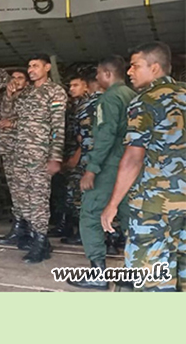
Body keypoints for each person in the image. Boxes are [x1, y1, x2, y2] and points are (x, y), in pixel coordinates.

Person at [101, 42, 186, 292]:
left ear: (155, 67)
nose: (129, 72)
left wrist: (113, 205)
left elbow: (133, 159)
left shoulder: (145, 101)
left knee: (152, 279)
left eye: (135, 66)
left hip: (155, 207)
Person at [67, 55, 135, 290]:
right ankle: (133, 272)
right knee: (130, 218)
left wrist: (92, 170)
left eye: (97, 73)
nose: (95, 77)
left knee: (89, 215)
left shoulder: (109, 98)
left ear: (108, 74)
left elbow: (105, 137)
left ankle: (98, 274)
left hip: (109, 167)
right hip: (130, 167)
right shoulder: (132, 96)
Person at [13, 54, 67, 263]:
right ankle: (37, 238)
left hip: (40, 155)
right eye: (29, 66)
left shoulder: (55, 91)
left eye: (35, 66)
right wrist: (11, 95)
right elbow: (13, 117)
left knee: (38, 199)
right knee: (22, 198)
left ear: (47, 68)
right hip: (21, 153)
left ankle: (40, 242)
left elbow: (58, 126)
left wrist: (55, 157)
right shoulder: (26, 92)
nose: (30, 70)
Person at [51, 73, 90, 243]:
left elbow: (87, 137)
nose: (71, 89)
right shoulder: (72, 106)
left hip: (80, 157)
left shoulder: (88, 106)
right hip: (66, 155)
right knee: (63, 192)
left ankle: (83, 232)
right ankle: (64, 226)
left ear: (86, 86)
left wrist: (76, 157)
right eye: (70, 86)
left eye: (76, 85)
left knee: (77, 194)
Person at [0, 69, 31, 247]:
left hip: (23, 149)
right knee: (14, 190)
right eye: (13, 78)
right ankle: (18, 228)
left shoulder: (31, 96)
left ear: (27, 82)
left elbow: (33, 120)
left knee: (25, 190)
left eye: (20, 78)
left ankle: (30, 229)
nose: (15, 81)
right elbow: (5, 114)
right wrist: (8, 96)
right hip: (8, 149)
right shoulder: (9, 96)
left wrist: (11, 123)